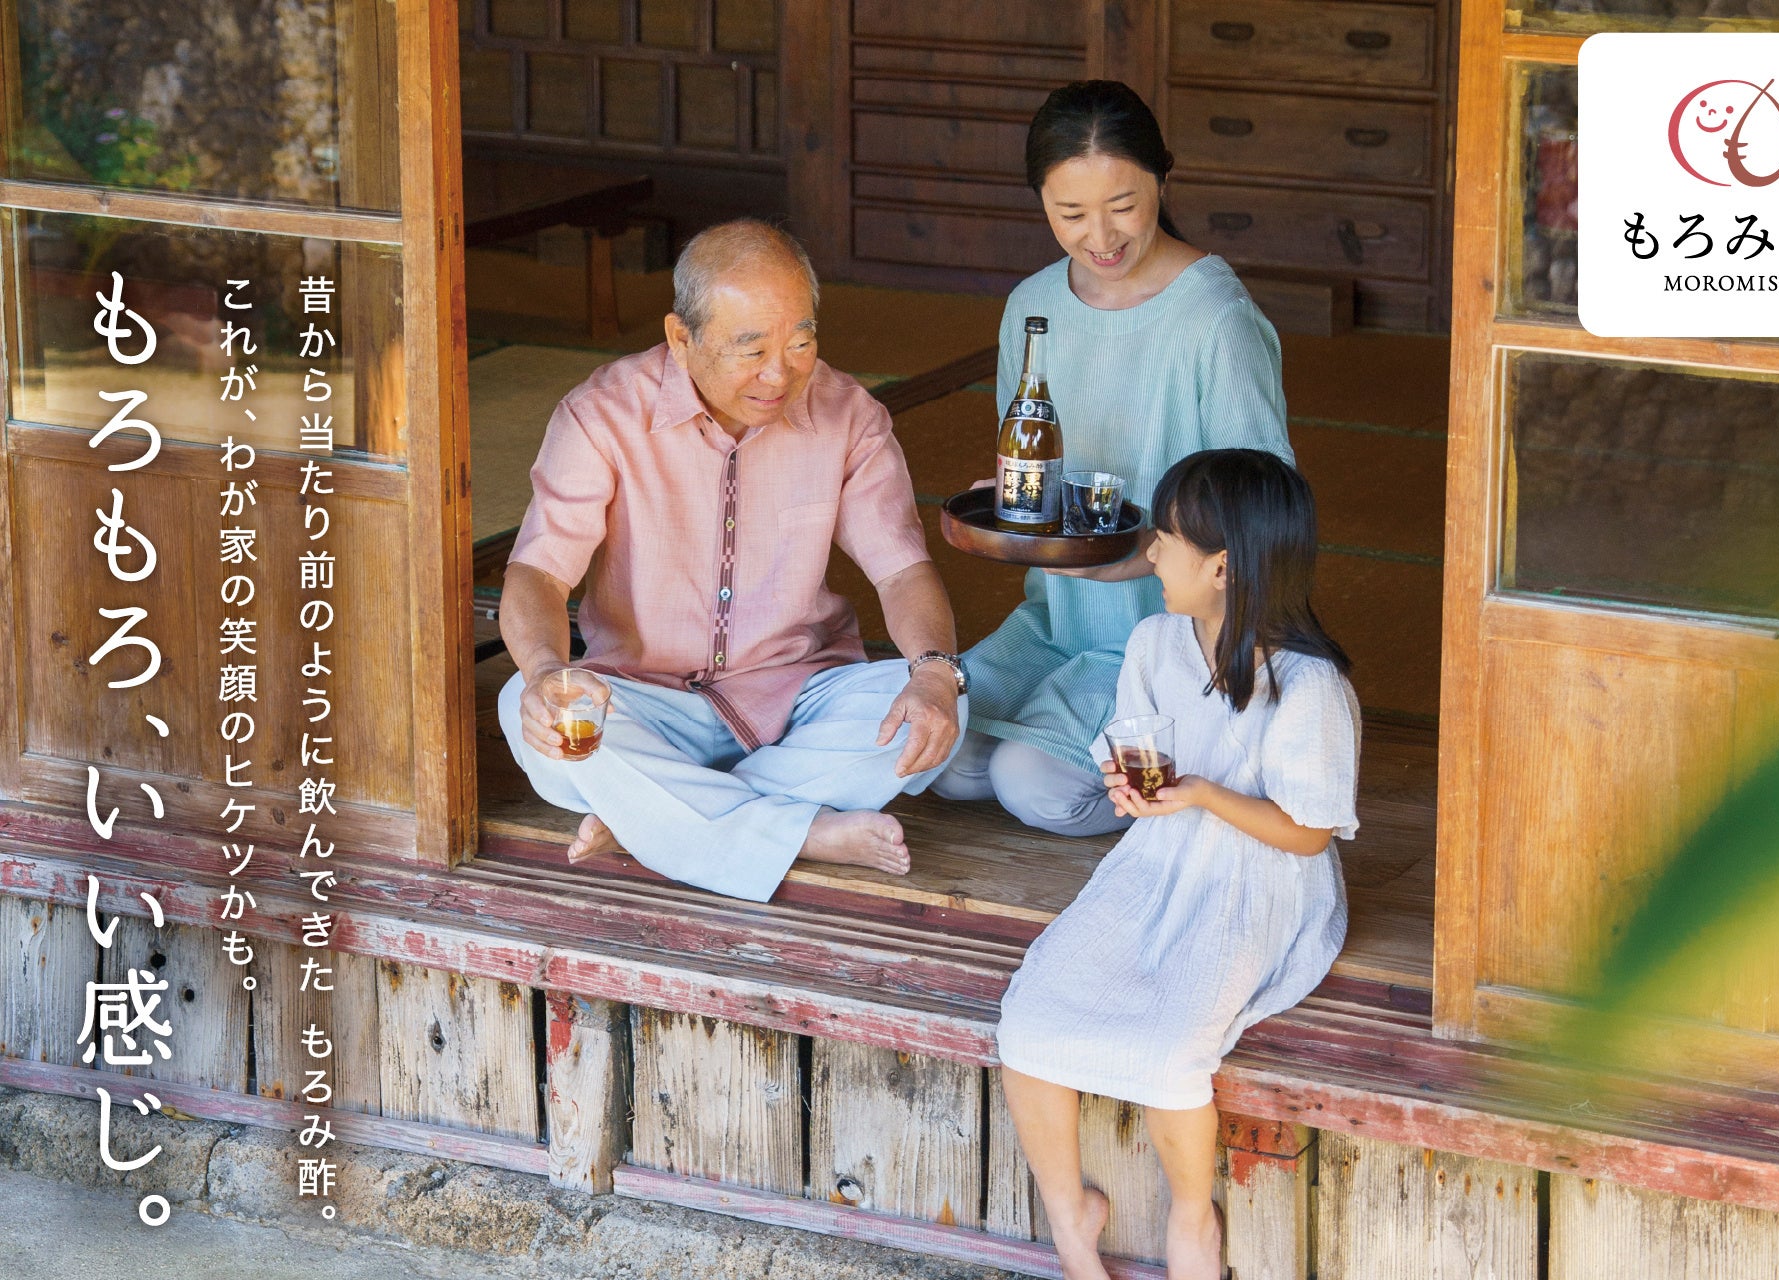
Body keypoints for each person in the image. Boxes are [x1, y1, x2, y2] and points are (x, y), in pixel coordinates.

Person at [496, 219, 968, 902]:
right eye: (752, 349)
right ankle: (799, 832)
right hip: (642, 695)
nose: (780, 373)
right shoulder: (600, 415)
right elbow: (538, 571)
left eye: (800, 343)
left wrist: (932, 675)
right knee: (525, 709)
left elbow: (900, 569)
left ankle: (655, 820)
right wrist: (544, 671)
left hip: (796, 695)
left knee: (942, 705)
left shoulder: (849, 416)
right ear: (680, 338)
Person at [995, 450, 1357, 1280]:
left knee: (1170, 1053)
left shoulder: (1309, 686)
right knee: (1031, 1018)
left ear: (1222, 566)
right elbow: (1132, 744)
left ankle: (1192, 1224)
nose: (1152, 554)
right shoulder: (1157, 641)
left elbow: (1307, 835)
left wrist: (1198, 794)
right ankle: (1068, 1212)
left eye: (1166, 541)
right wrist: (1131, 789)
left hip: (1260, 879)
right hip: (1158, 860)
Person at [934, 79, 1293, 837]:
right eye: (1070, 214)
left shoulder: (1214, 319)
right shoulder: (1034, 306)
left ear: (1163, 176)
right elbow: (1027, 463)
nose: (1100, 236)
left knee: (1030, 783)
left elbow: (1264, 510)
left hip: (1170, 633)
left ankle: (1195, 774)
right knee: (937, 752)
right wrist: (1008, 506)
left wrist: (1142, 556)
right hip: (1059, 615)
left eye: (1124, 206)